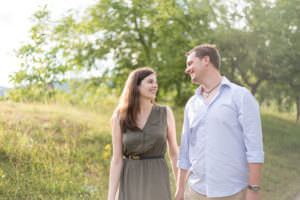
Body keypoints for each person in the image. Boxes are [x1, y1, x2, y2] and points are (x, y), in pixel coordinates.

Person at [175, 44, 264, 200]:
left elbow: (254, 148)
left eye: (190, 63)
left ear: (206, 60)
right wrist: (181, 189)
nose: (187, 70)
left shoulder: (241, 97)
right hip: (195, 192)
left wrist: (254, 189)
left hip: (232, 193)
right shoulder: (192, 104)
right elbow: (185, 150)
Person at [107, 67, 179, 200]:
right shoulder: (120, 117)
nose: (155, 86)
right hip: (130, 178)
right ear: (136, 86)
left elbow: (174, 154)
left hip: (157, 178)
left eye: (156, 82)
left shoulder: (165, 113)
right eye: (150, 82)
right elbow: (117, 160)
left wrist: (180, 189)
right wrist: (111, 197)